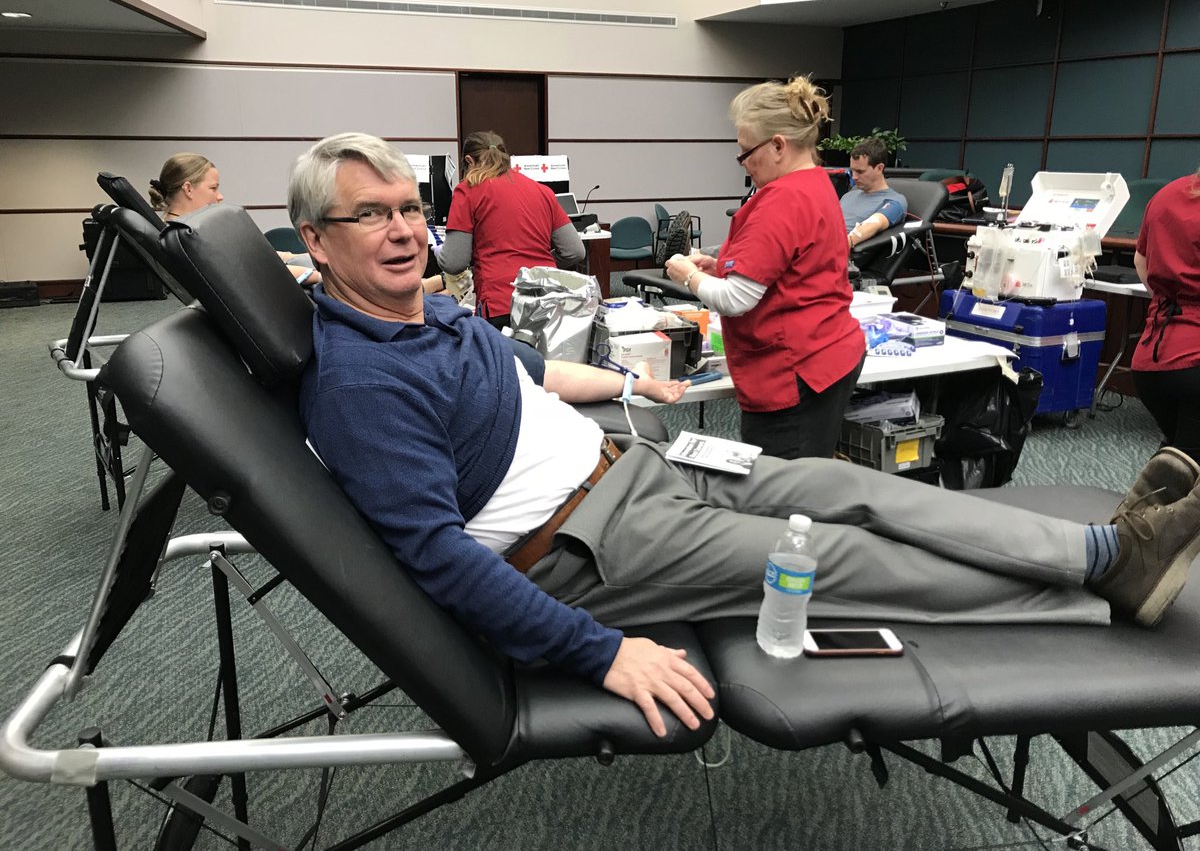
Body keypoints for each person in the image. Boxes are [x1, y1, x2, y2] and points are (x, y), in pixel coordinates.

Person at [291, 131, 1200, 740]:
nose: (406, 230)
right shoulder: (361, 383)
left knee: (858, 487)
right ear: (316, 241)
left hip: (638, 465)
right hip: (585, 544)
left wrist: (626, 381)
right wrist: (597, 651)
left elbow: (527, 373)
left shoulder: (432, 316)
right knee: (839, 557)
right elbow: (437, 561)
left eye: (410, 208)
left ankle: (1101, 549)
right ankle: (1091, 605)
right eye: (371, 215)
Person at [663, 76, 866, 459]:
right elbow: (790, 264)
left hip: (796, 368)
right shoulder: (817, 183)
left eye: (745, 152)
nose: (743, 163)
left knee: (782, 489)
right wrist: (719, 264)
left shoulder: (781, 200)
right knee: (809, 469)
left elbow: (735, 299)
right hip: (829, 353)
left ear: (777, 146)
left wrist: (689, 275)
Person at [440, 131, 585, 328]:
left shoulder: (468, 189)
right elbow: (575, 251)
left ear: (469, 161)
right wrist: (539, 267)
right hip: (547, 300)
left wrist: (437, 251)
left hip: (501, 303)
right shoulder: (542, 191)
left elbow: (454, 262)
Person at [150, 152, 319, 287]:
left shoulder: (188, 233)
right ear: (188, 189)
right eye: (213, 188)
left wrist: (293, 257)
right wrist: (318, 275)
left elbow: (256, 258)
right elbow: (256, 271)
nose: (220, 196)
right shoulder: (190, 238)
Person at [1132, 168, 1200, 460]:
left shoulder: (1165, 195)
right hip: (1195, 362)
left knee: (1178, 461)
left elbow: (1141, 260)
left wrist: (1170, 298)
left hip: (1150, 361)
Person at [840, 136, 908, 249]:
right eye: (852, 171)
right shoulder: (848, 196)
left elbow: (875, 224)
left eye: (860, 171)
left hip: (838, 254)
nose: (854, 177)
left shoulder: (895, 201)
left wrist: (837, 247)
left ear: (879, 168)